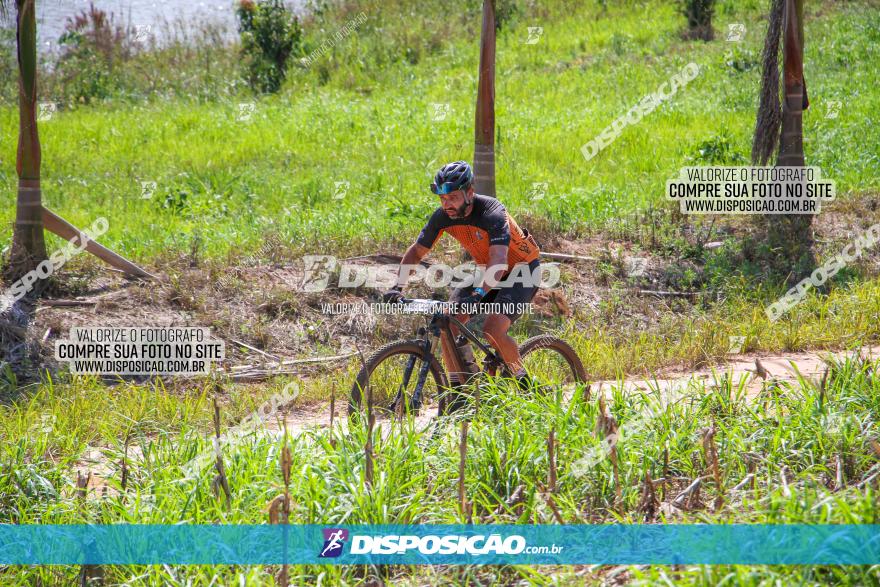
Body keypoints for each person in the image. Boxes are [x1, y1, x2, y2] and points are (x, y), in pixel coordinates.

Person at [383, 160, 542, 391]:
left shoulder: (492, 212)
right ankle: (463, 389)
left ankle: (525, 383)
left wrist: (479, 293)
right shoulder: (443, 217)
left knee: (493, 329)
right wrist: (397, 287)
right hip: (488, 270)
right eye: (442, 198)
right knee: (448, 321)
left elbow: (499, 261)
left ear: (470, 193)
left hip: (522, 270)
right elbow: (417, 251)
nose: (447, 204)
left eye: (453, 197)